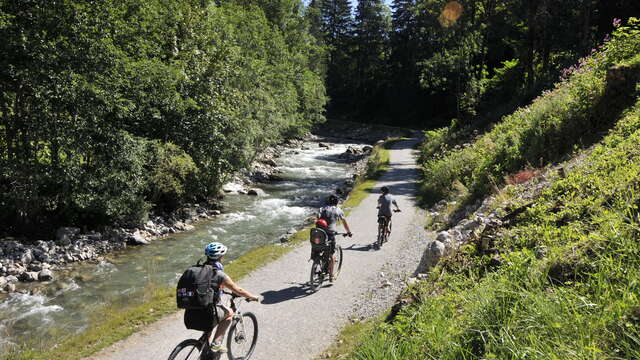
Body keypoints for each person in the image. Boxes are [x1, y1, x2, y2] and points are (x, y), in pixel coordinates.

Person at [203, 242, 260, 353]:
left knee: (208, 326)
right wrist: (253, 297)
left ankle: (204, 347)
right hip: (209, 309)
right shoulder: (219, 274)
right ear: (220, 257)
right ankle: (216, 344)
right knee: (229, 314)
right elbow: (238, 290)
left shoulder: (198, 269)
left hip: (192, 309)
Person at [317, 194, 352, 280]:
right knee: (331, 254)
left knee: (321, 248)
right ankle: (331, 275)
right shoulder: (338, 210)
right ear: (337, 202)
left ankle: (319, 262)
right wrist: (348, 232)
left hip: (319, 233)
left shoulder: (322, 209)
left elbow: (317, 219)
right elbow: (344, 222)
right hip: (330, 234)